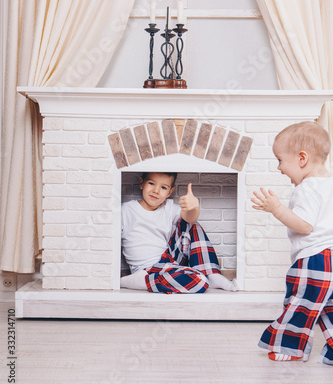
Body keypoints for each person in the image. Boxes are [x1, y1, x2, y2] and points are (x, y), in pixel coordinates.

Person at [251, 121, 333, 364]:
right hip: (330, 256)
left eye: (280, 160)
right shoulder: (329, 185)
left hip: (314, 258)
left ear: (301, 159)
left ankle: (288, 347)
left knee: (300, 303)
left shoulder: (308, 188)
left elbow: (304, 225)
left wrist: (276, 209)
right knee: (327, 307)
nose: (279, 168)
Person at [121, 171, 238, 294]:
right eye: (151, 183)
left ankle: (211, 274)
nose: (156, 190)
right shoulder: (126, 210)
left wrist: (194, 208)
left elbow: (189, 218)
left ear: (169, 192)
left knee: (193, 225)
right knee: (199, 280)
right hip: (145, 268)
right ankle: (140, 281)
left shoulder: (168, 207)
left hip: (168, 261)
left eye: (163, 187)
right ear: (141, 183)